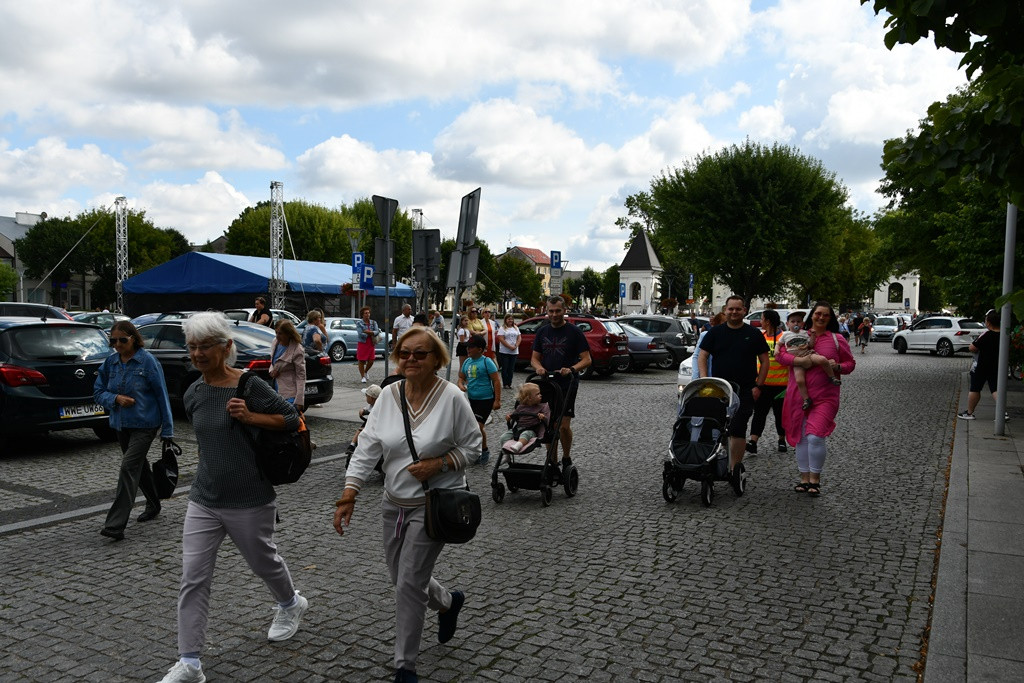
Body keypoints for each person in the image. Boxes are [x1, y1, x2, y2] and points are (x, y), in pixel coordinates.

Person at [155, 313, 307, 683]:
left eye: (206, 345)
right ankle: (190, 662)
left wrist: (252, 417)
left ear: (225, 348)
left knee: (264, 563)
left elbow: (292, 420)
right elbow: (208, 443)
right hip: (204, 498)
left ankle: (291, 603)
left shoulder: (249, 386)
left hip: (249, 498)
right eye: (192, 346)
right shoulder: (193, 392)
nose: (198, 353)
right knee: (193, 578)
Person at [332, 328, 481, 683]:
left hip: (433, 504)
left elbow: (474, 445)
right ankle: (447, 601)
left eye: (420, 354)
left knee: (409, 584)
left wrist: (439, 464)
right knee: (402, 578)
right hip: (392, 502)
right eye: (405, 353)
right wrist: (349, 492)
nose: (411, 359)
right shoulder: (388, 395)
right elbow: (368, 445)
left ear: (437, 360)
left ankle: (405, 667)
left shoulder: (452, 398)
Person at [95, 321, 175, 541]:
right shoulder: (110, 363)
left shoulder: (147, 362)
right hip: (121, 424)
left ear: (134, 338)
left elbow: (162, 395)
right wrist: (115, 399)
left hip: (146, 425)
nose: (117, 344)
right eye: (113, 340)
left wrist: (167, 429)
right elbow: (98, 391)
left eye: (123, 340)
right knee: (138, 467)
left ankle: (115, 525)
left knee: (128, 468)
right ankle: (153, 503)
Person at [776, 302, 856, 496]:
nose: (821, 318)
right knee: (802, 438)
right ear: (812, 316)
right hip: (799, 395)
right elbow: (780, 356)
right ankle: (804, 479)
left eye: (825, 315)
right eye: (818, 314)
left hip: (826, 397)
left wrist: (836, 367)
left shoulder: (837, 339)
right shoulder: (798, 335)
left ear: (830, 319)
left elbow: (850, 364)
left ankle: (815, 479)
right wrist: (797, 361)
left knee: (815, 436)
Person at [696, 295, 770, 476]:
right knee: (714, 426)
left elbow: (765, 361)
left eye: (738, 309)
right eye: (731, 309)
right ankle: (712, 459)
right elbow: (702, 355)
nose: (734, 312)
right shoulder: (715, 332)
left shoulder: (753, 334)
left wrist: (758, 385)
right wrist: (705, 379)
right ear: (725, 311)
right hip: (718, 388)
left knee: (738, 427)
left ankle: (733, 468)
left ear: (744, 311)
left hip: (745, 389)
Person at [530, 295, 591, 468]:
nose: (554, 314)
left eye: (558, 311)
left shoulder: (574, 332)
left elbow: (587, 360)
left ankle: (566, 457)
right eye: (551, 311)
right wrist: (538, 367)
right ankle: (552, 461)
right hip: (547, 382)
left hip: (567, 383)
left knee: (563, 426)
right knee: (550, 425)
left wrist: (571, 369)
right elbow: (534, 359)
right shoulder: (542, 332)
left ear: (565, 311)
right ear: (546, 311)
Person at [746, 310, 788, 455]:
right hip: (762, 384)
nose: (760, 322)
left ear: (768, 321)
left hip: (781, 385)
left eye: (762, 319)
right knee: (759, 414)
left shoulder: (784, 338)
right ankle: (753, 442)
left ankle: (781, 440)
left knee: (780, 415)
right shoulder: (761, 336)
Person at [458, 334, 501, 465]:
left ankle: (484, 451)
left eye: (471, 347)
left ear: (480, 349)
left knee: (477, 426)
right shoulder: (467, 362)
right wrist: (461, 385)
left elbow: (496, 381)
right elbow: (461, 378)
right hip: (472, 399)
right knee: (473, 428)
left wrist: (497, 400)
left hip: (486, 399)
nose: (468, 349)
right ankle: (479, 450)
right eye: (468, 347)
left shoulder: (486, 361)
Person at [959, 310, 1004, 421]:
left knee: (975, 388)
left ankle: (969, 413)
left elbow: (972, 348)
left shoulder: (986, 335)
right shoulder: (1004, 335)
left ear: (988, 322)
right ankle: (1003, 412)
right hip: (997, 365)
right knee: (995, 389)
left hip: (982, 365)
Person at [781, 329, 842, 410]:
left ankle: (832, 377)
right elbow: (779, 346)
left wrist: (813, 336)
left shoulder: (804, 333)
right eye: (793, 321)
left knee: (822, 360)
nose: (796, 323)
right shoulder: (785, 334)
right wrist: (777, 349)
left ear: (802, 323)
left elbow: (811, 345)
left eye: (798, 321)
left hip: (808, 354)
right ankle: (806, 399)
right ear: (787, 324)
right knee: (799, 380)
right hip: (796, 361)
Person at [498, 382, 550, 453]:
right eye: (538, 394)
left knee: (525, 434)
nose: (540, 395)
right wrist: (509, 417)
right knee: (503, 437)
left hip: (532, 430)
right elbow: (515, 416)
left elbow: (546, 420)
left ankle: (518, 446)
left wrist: (543, 417)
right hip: (518, 428)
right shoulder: (520, 407)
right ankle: (506, 455)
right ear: (530, 398)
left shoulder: (542, 407)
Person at [268, 320, 306, 409]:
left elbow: (301, 376)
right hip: (275, 389)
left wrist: (299, 400)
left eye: (280, 333)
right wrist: (272, 371)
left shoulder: (297, 349)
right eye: (276, 332)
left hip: (290, 393)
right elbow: (273, 361)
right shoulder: (275, 342)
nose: (277, 336)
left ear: (288, 334)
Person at [345, 383, 381, 458]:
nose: (366, 398)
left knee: (362, 430)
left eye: (366, 396)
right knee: (359, 431)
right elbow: (364, 410)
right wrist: (362, 411)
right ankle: (352, 445)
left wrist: (368, 413)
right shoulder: (370, 405)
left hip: (376, 425)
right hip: (368, 423)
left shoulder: (379, 406)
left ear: (371, 398)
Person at [691, 312, 725, 381]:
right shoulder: (706, 335)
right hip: (710, 378)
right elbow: (697, 356)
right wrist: (697, 378)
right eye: (723, 323)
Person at [355, 306, 381, 383]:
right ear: (362, 314)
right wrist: (371, 333)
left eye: (368, 313)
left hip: (371, 343)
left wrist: (368, 332)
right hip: (363, 343)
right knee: (361, 360)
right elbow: (360, 334)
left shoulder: (373, 322)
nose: (368, 314)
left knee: (371, 360)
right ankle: (362, 376)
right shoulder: (359, 323)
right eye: (366, 313)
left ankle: (366, 371)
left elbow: (377, 332)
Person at [496, 313, 521, 389]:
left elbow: (519, 337)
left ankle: (509, 383)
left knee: (511, 368)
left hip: (514, 351)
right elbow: (501, 339)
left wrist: (516, 345)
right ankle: (505, 384)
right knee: (505, 368)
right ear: (505, 320)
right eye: (509, 319)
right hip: (505, 351)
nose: (510, 320)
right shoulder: (502, 328)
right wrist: (509, 346)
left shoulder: (516, 328)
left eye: (511, 319)